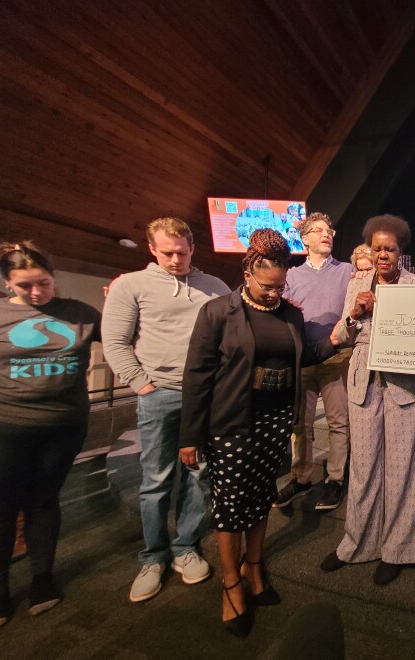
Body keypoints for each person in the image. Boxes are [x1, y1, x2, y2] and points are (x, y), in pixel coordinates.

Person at [178, 229, 336, 636]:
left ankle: (255, 569)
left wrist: (342, 332)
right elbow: (196, 377)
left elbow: (307, 354)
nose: (274, 294)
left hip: (275, 420)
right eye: (268, 286)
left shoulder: (290, 314)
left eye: (281, 286)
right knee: (231, 506)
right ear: (248, 271)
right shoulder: (218, 313)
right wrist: (189, 436)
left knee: (262, 497)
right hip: (231, 421)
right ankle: (231, 585)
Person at [102, 217, 230, 603]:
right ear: (152, 249)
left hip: (206, 394)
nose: (175, 259)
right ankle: (152, 556)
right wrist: (141, 383)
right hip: (159, 393)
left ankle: (185, 547)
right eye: (167, 252)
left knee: (199, 474)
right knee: (156, 477)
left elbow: (234, 329)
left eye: (182, 252)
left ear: (193, 248)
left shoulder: (214, 287)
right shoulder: (131, 285)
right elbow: (115, 341)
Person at [0, 242, 101, 631]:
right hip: (3, 425)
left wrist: (121, 300)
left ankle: (41, 579)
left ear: (55, 278)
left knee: (43, 500)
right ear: (7, 283)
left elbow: (129, 333)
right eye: (24, 285)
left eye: (43, 283)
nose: (36, 292)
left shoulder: (79, 313)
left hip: (63, 425)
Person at [320, 215, 415, 586]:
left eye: (389, 248)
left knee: (405, 469)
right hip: (364, 383)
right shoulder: (357, 284)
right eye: (376, 248)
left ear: (401, 251)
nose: (382, 254)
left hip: (406, 384)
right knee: (364, 467)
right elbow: (340, 335)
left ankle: (399, 549)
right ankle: (357, 544)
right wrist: (356, 314)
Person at [275, 213, 352, 512]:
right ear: (304, 239)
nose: (326, 234)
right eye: (318, 230)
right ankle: (302, 477)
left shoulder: (347, 272)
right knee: (301, 425)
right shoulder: (291, 277)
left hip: (337, 357)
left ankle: (335, 479)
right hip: (303, 359)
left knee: (338, 423)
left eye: (329, 230)